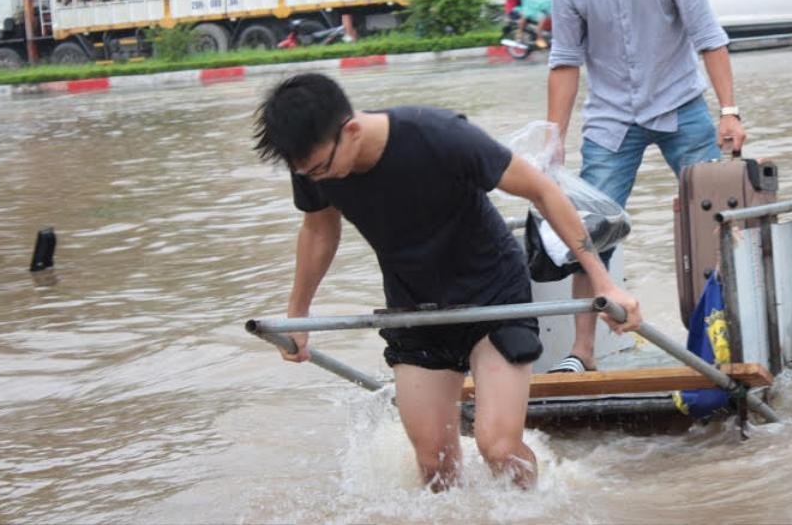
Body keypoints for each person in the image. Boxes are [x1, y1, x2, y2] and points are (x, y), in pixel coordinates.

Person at [252, 73, 641, 491]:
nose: (318, 180)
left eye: (321, 169)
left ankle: (540, 510)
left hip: (493, 299)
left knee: (498, 448)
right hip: (415, 308)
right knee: (435, 467)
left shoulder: (438, 136)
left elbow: (542, 190)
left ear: (350, 130)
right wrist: (298, 317)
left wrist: (603, 281)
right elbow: (319, 232)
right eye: (306, 173)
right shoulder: (314, 166)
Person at [544, 0, 746, 374]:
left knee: (716, 218)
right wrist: (554, 138)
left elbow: (709, 38)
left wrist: (728, 111)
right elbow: (565, 61)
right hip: (612, 117)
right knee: (589, 229)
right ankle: (582, 352)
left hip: (679, 103)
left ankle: (724, 336)